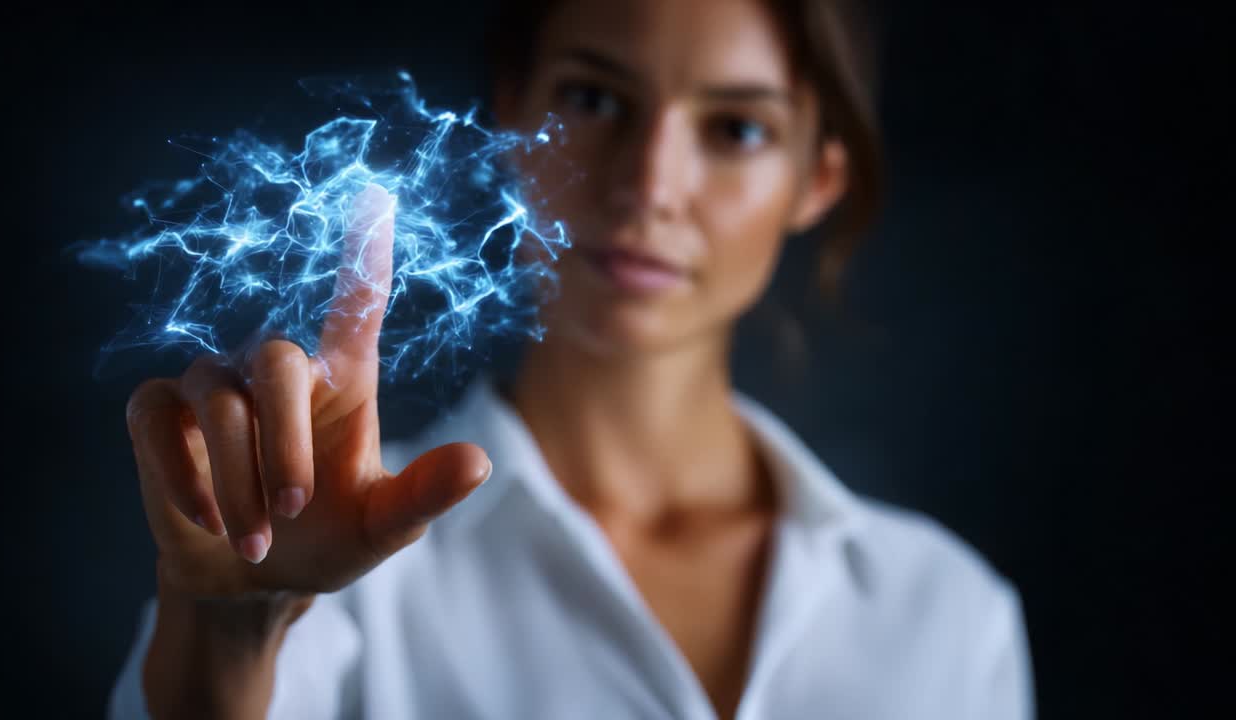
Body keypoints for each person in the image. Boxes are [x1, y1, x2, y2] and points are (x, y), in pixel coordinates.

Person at [109, 0, 1034, 717]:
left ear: (816, 178)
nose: (649, 185)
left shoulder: (945, 609)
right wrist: (232, 627)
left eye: (737, 128)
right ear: (512, 113)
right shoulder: (329, 553)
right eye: (594, 99)